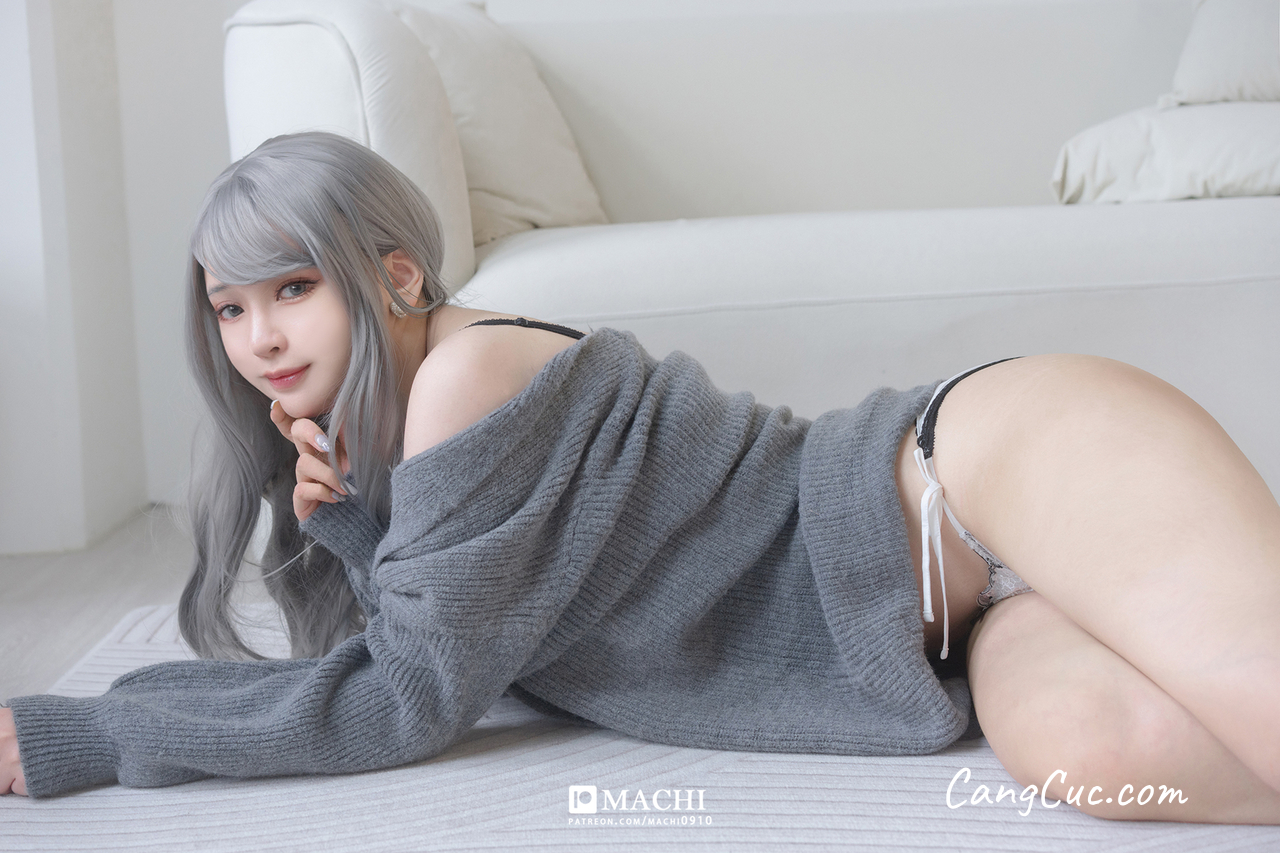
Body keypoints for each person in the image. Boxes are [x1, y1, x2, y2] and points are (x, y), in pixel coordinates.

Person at [2, 132, 1278, 824]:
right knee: (1103, 755)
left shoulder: (462, 373)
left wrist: (98, 731)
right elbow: (443, 644)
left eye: (293, 287)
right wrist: (347, 525)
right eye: (230, 307)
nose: (261, 339)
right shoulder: (407, 422)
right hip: (961, 623)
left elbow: (407, 700)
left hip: (976, 468)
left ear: (394, 276)